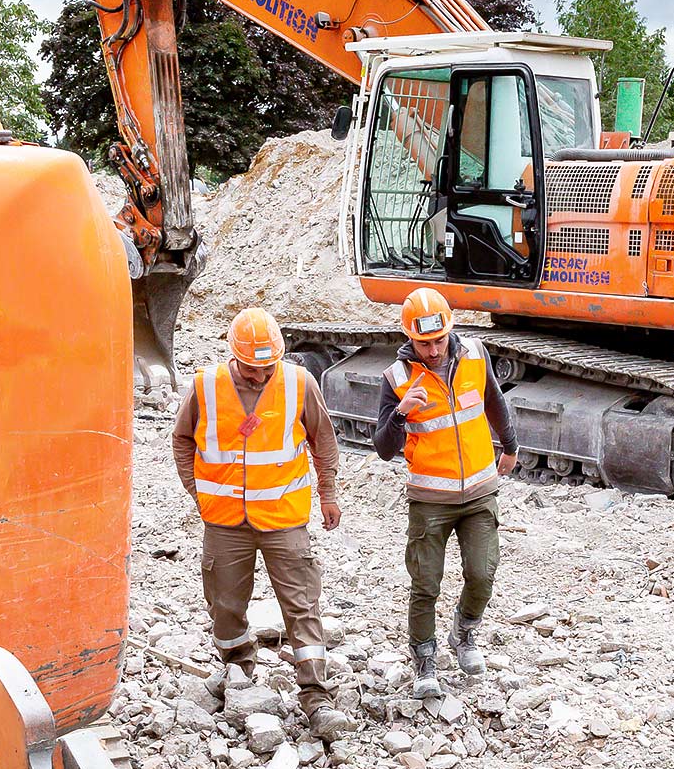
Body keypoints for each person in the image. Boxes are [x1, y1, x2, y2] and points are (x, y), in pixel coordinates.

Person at [172, 307, 352, 738]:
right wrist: (199, 494)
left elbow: (322, 439)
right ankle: (238, 671)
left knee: (302, 606)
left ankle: (316, 695)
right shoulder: (206, 386)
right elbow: (182, 439)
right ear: (234, 357)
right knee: (224, 604)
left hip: (285, 520)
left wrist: (328, 493)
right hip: (225, 522)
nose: (260, 375)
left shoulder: (297, 382)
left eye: (267, 366)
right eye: (252, 369)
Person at [373, 287, 519, 698]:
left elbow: (493, 400)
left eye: (438, 340)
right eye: (424, 343)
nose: (434, 350)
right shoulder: (397, 379)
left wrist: (510, 445)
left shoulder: (475, 354)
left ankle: (464, 632)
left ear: (448, 330)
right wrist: (402, 412)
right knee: (426, 584)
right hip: (430, 500)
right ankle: (425, 662)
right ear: (409, 338)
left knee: (482, 574)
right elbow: (383, 448)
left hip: (478, 490)